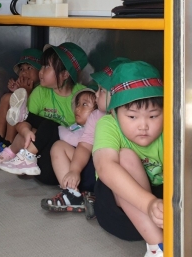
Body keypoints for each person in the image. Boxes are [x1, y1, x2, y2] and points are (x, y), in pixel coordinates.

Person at [92, 60, 164, 257]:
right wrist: (148, 204)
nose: (143, 125)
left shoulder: (169, 129)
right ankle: (159, 247)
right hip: (119, 214)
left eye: (153, 116)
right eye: (132, 117)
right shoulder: (108, 125)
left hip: (160, 211)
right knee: (125, 157)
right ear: (114, 113)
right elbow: (104, 165)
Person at [41, 57, 130, 215]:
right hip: (90, 170)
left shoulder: (131, 120)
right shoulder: (96, 116)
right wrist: (74, 170)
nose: (96, 94)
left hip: (112, 177)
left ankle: (98, 199)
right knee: (59, 147)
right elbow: (84, 146)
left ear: (117, 94)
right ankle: (72, 193)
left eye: (101, 90)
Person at [0, 42, 88, 185]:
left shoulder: (81, 95)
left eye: (47, 66)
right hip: (38, 156)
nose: (41, 71)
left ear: (64, 74)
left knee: (50, 126)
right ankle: (13, 153)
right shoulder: (40, 92)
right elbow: (23, 125)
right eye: (42, 66)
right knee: (30, 128)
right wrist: (25, 132)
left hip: (58, 160)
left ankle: (22, 153)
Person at [0, 48, 42, 158]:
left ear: (40, 72)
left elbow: (31, 109)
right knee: (6, 97)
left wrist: (26, 92)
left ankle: (9, 142)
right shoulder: (23, 83)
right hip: (22, 117)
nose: (24, 72)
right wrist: (17, 90)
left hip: (30, 122)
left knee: (15, 105)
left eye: (29, 68)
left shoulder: (41, 87)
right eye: (22, 69)